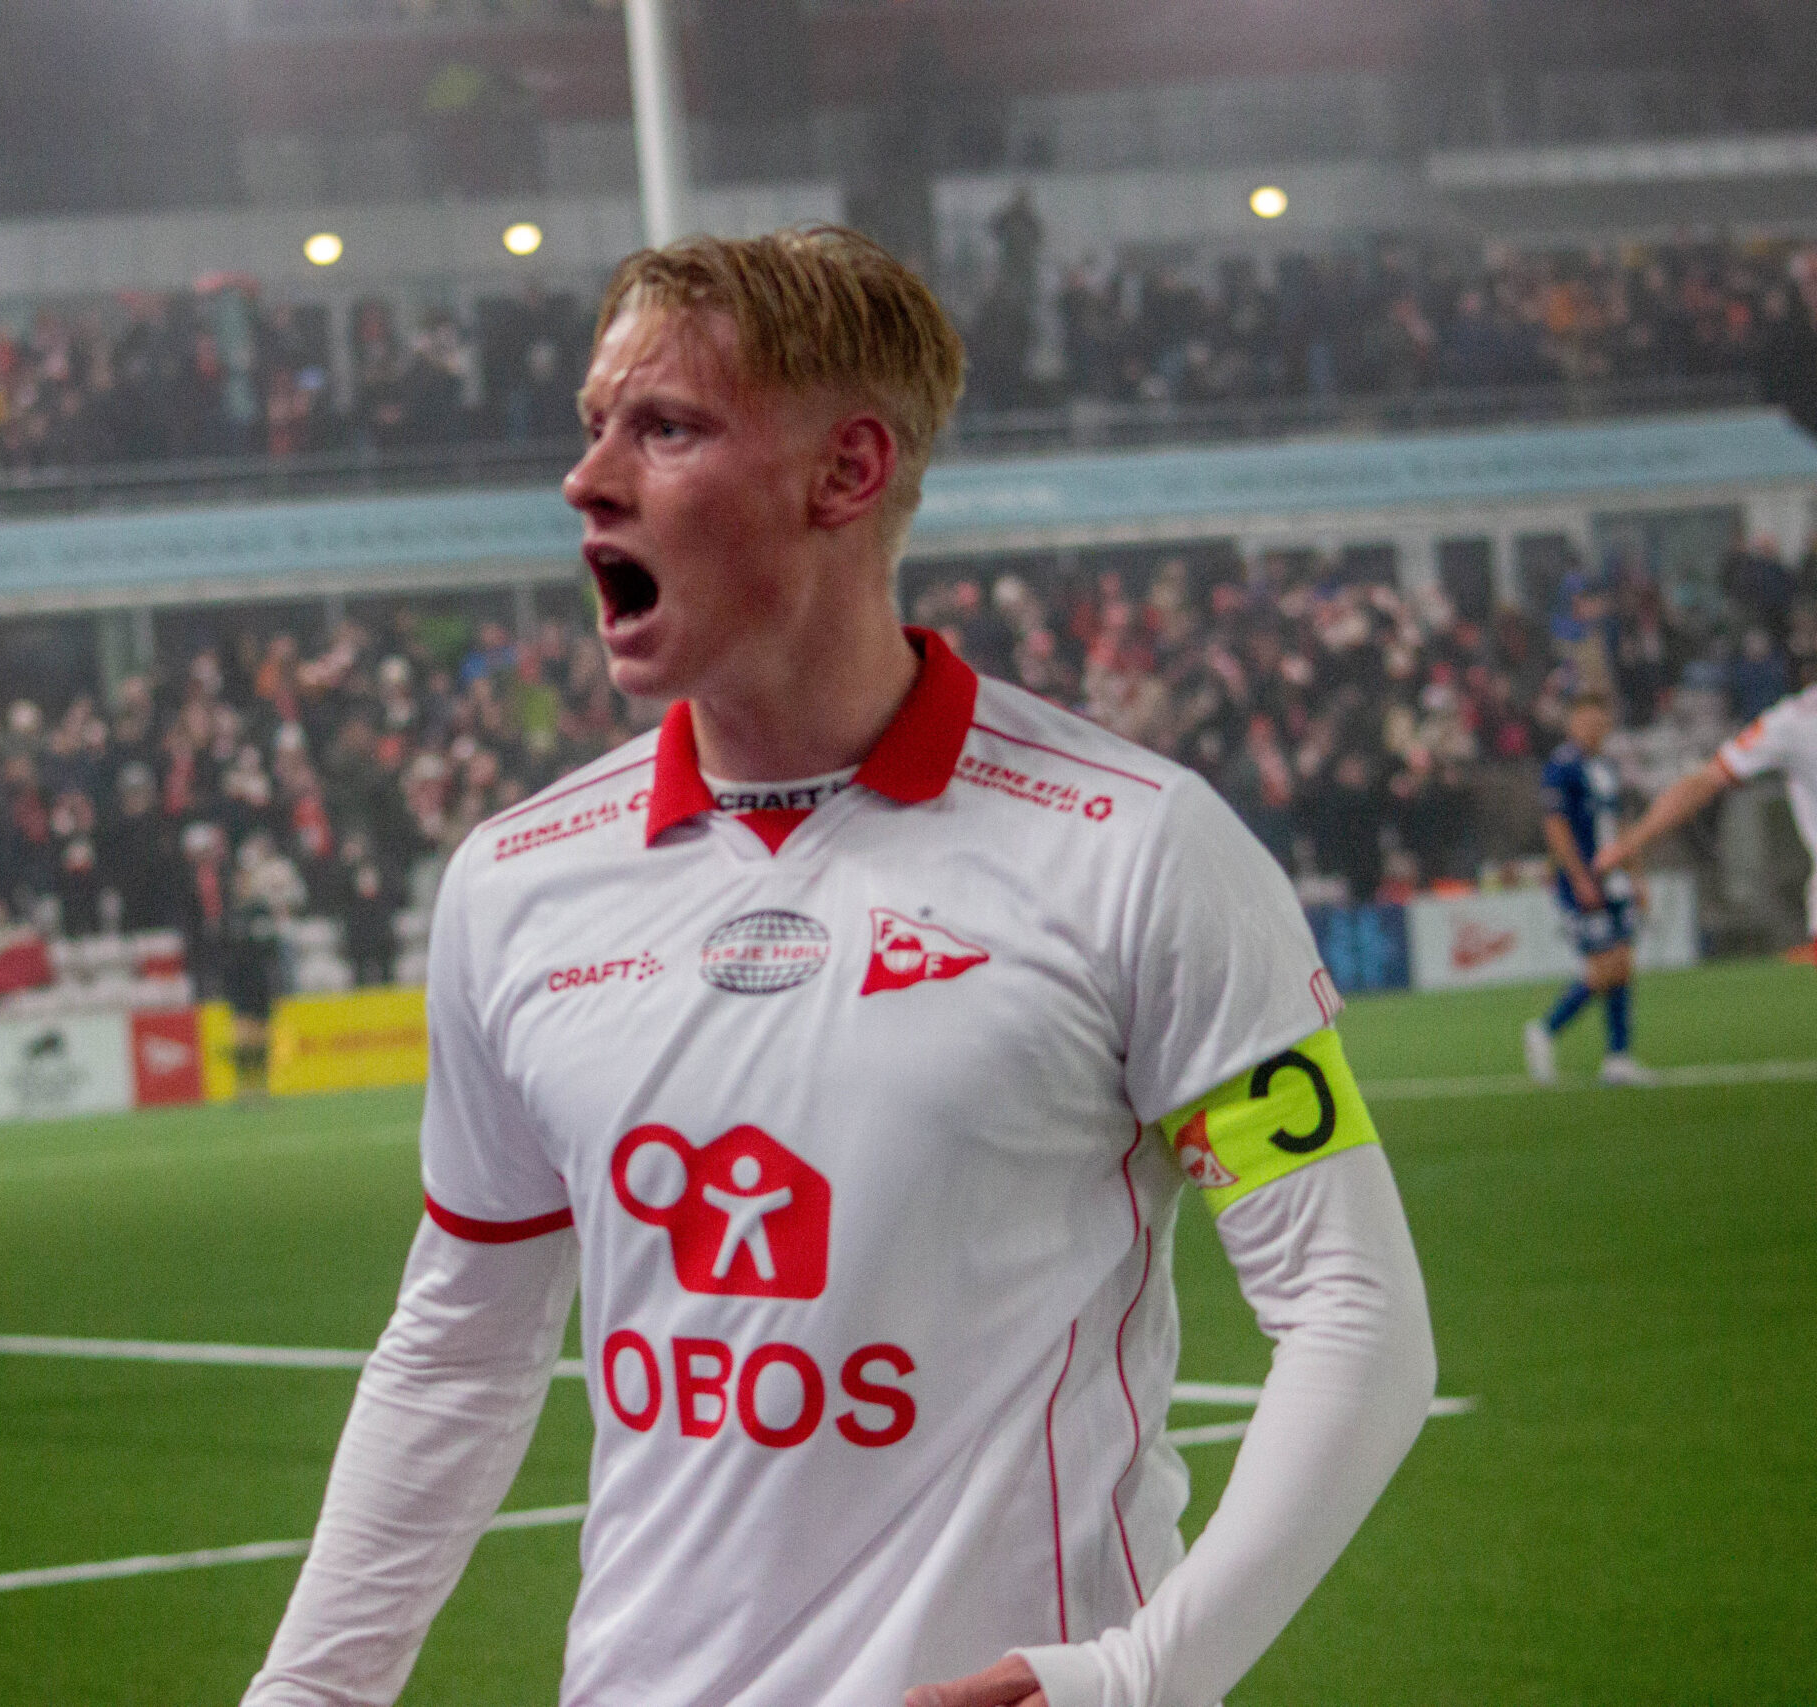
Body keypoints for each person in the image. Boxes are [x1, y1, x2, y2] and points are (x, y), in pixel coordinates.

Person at [244, 228, 1435, 1707]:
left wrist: (1140, 1674)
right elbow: (457, 1351)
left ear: (847, 471)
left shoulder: (1136, 849)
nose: (587, 478)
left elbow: (1353, 1309)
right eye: (593, 425)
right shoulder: (515, 882)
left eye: (664, 428)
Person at [1597, 680, 1817, 965]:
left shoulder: (1793, 720)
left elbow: (1704, 782)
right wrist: (1632, 842)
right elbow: (1704, 782)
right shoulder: (1795, 721)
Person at [1523, 693, 1654, 1087]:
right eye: (1584, 720)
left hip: (1615, 881)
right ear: (1572, 723)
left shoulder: (1608, 767)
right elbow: (1556, 826)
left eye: (1598, 721)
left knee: (1622, 964)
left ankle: (1618, 1057)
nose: (1592, 728)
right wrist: (1579, 877)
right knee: (1604, 968)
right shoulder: (1562, 767)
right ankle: (1545, 1029)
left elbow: (1622, 826)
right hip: (1582, 882)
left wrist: (1637, 877)